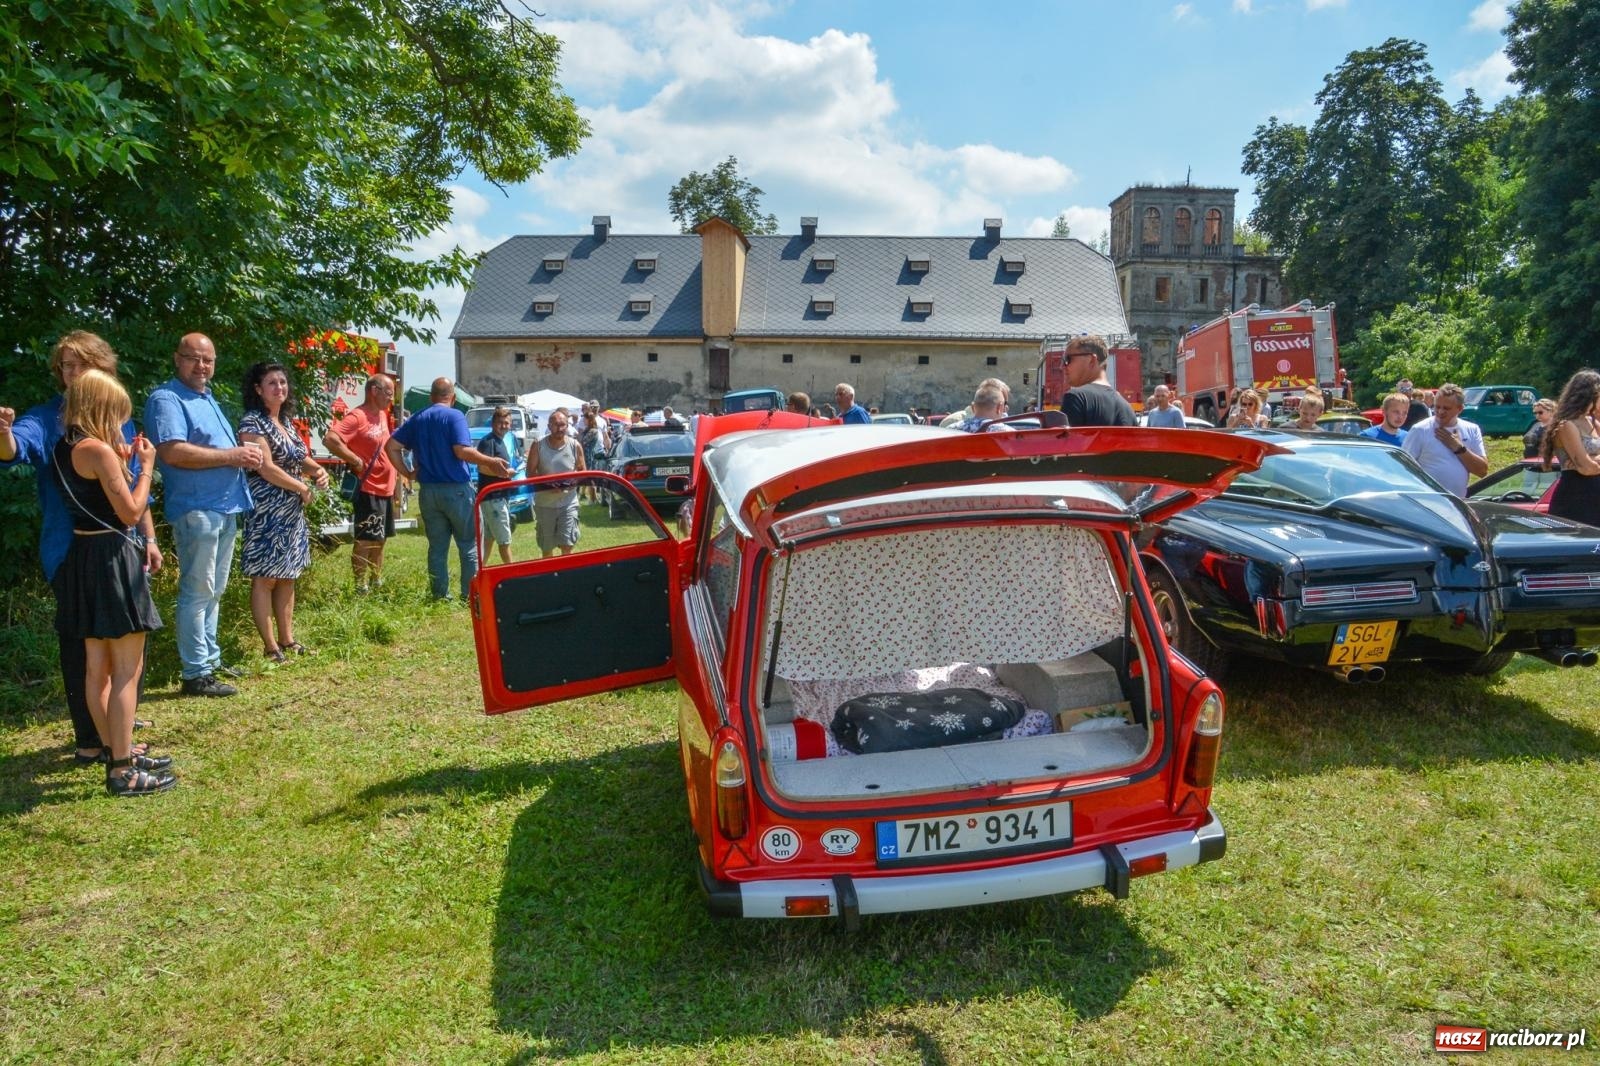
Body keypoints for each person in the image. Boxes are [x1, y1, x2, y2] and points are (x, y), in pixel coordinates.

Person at [0, 331, 162, 763]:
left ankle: (116, 737)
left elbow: (129, 488)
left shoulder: (109, 420)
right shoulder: (48, 420)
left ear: (102, 368)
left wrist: (148, 538)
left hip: (120, 546)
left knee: (109, 656)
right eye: (65, 366)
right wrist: (4, 435)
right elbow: (16, 448)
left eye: (80, 364)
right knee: (95, 654)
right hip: (75, 551)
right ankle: (97, 744)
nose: (71, 373)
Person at [53, 370, 174, 796]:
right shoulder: (99, 451)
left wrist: (119, 461)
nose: (121, 421)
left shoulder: (64, 447)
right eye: (118, 412)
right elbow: (131, 512)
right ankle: (122, 771)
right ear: (101, 408)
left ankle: (114, 750)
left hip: (83, 555)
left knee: (97, 668)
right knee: (126, 668)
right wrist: (146, 468)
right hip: (112, 557)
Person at [145, 333, 262, 698]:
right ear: (177, 359)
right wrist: (233, 456)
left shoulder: (205, 397)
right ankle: (196, 674)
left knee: (215, 589)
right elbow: (172, 452)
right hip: (197, 508)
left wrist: (242, 455)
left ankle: (209, 660)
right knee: (198, 590)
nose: (201, 366)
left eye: (208, 360)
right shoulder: (167, 399)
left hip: (224, 506)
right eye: (193, 358)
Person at [384, 378, 511, 602]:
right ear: (452, 397)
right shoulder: (455, 416)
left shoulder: (417, 418)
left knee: (437, 547)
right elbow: (461, 451)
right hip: (456, 490)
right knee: (469, 544)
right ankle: (470, 595)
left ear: (431, 397)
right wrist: (491, 461)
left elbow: (391, 446)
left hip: (428, 492)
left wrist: (408, 473)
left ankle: (439, 595)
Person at [238, 362, 330, 663]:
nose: (279, 387)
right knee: (265, 578)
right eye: (272, 383)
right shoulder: (253, 422)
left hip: (290, 512)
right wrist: (301, 487)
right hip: (267, 511)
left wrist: (318, 472)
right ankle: (270, 647)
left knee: (288, 574)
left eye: (282, 382)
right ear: (258, 389)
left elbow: (299, 459)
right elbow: (265, 467)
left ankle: (287, 640)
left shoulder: (285, 422)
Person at [322, 375, 397, 593]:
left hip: (386, 488)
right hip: (368, 488)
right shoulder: (358, 416)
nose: (391, 398)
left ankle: (376, 581)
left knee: (380, 539)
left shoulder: (382, 414)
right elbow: (330, 439)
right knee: (365, 539)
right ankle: (360, 586)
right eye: (388, 393)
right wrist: (354, 459)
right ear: (374, 391)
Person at [1401, 382, 1488, 497]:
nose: (1440, 412)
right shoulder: (1420, 430)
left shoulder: (1472, 429)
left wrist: (1459, 448)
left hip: (1458, 502)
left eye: (1446, 408)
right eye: (1437, 407)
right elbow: (1403, 468)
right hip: (1427, 502)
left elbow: (1482, 471)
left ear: (1460, 409)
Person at [1540, 370, 1600, 526]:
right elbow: (1586, 469)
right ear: (1590, 395)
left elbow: (1587, 465)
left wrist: (1590, 459)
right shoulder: (1566, 425)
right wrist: (1587, 462)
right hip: (1575, 498)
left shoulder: (1593, 423)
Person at [527, 408, 587, 557]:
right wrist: (548, 485)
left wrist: (569, 483)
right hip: (545, 504)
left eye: (562, 425)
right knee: (547, 548)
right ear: (549, 426)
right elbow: (530, 473)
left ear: (567, 426)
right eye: (556, 425)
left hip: (568, 503)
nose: (559, 429)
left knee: (567, 546)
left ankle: (565, 572)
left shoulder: (575, 445)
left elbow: (583, 472)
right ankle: (550, 572)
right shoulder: (538, 445)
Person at [1059, 335, 1136, 427]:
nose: (1061, 366)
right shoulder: (1128, 409)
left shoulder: (1076, 398)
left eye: (1067, 359)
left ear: (1092, 360)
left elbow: (1066, 437)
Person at [478, 406, 521, 565]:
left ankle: (478, 571)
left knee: (488, 539)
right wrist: (505, 474)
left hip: (497, 497)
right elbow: (482, 467)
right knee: (504, 540)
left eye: (507, 423)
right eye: (500, 423)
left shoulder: (500, 441)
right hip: (493, 498)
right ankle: (512, 573)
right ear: (493, 424)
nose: (504, 426)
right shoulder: (488, 441)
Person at [941, 378, 1011, 428]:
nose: (1006, 409)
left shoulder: (951, 429)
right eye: (1005, 404)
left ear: (973, 406)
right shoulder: (1007, 434)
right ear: (999, 407)